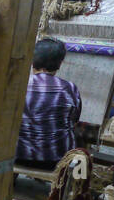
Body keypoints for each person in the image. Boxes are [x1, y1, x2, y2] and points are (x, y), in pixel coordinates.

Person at [17, 37, 82, 169]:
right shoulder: (69, 88)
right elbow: (74, 121)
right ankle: (66, 188)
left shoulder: (18, 84)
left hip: (16, 155)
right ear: (60, 63)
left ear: (32, 59)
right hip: (56, 160)